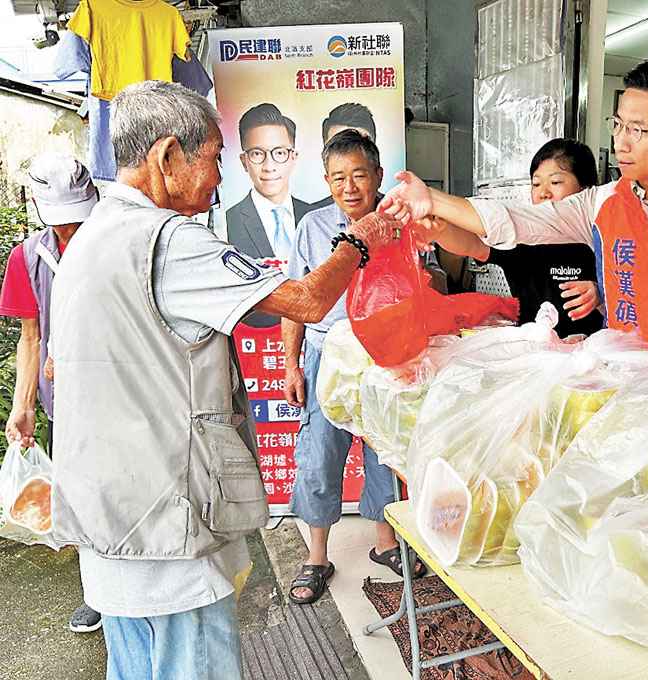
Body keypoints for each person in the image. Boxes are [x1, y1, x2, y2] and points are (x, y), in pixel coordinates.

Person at [48, 80, 402, 680]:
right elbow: (309, 302)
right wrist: (357, 241)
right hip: (166, 528)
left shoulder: (92, 235)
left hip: (108, 516)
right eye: (213, 158)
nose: (219, 179)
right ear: (167, 158)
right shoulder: (169, 241)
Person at [382, 54, 648, 345]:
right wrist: (432, 199)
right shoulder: (602, 202)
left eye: (638, 130)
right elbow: (513, 218)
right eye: (618, 125)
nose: (621, 143)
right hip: (627, 372)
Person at [282, 129, 427, 606]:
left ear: (379, 176)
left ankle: (386, 542)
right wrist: (291, 366)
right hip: (329, 356)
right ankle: (317, 556)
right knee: (321, 453)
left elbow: (428, 286)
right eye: (338, 177)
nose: (349, 187)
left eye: (359, 175)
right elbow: (297, 303)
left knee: (386, 453)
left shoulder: (403, 221)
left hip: (387, 355)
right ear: (325, 181)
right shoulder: (312, 228)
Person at [0, 152, 103, 634]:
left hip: (126, 395)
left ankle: (137, 583)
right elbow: (31, 337)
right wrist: (23, 407)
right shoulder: (27, 257)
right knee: (79, 496)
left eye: (77, 220)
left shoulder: (116, 242)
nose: (70, 233)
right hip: (67, 404)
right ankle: (97, 591)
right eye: (60, 224)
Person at [467, 138, 604, 336]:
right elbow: (469, 245)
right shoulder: (521, 239)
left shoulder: (602, 242)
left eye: (555, 182)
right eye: (536, 184)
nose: (543, 193)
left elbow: (631, 310)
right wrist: (435, 225)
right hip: (535, 359)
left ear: (586, 191)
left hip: (591, 359)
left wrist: (600, 296)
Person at [226, 103, 312, 327]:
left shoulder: (314, 218)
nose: (269, 165)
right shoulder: (228, 222)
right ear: (244, 162)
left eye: (280, 153)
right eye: (257, 154)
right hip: (255, 343)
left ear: (293, 158)